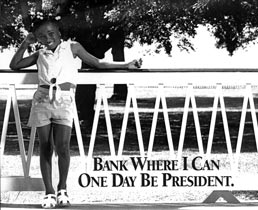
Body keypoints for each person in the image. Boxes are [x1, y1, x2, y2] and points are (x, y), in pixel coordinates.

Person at [9, 18, 142, 208]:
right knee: (46, 146)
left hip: (64, 100)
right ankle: (49, 192)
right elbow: (15, 65)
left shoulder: (72, 47)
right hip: (42, 100)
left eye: (51, 34)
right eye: (41, 36)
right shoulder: (39, 54)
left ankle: (62, 188)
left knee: (62, 146)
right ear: (36, 39)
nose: (47, 38)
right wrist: (25, 44)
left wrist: (126, 64)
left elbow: (97, 63)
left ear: (59, 33)